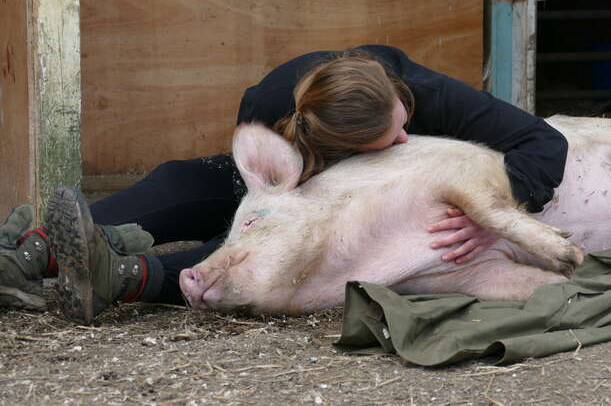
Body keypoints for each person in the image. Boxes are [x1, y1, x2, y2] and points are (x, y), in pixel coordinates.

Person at [0, 45, 568, 324]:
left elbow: (544, 145)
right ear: (337, 139)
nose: (403, 137)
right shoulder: (272, 105)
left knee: (262, 246)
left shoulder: (420, 91)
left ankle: (118, 272)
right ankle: (37, 254)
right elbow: (261, 194)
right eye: (388, 138)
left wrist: (486, 209)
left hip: (371, 203)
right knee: (188, 184)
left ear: (396, 93)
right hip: (292, 183)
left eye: (403, 122)